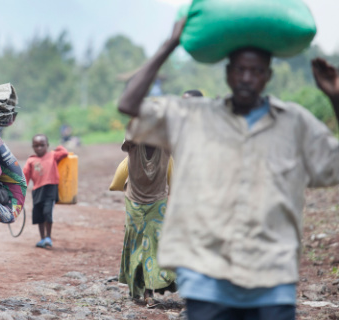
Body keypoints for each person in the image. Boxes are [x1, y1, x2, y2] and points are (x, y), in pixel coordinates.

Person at [118, 17, 339, 320]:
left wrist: (336, 98)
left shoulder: (293, 123)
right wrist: (169, 46)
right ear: (227, 74)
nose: (247, 77)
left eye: (256, 70)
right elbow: (130, 104)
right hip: (208, 276)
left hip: (272, 277)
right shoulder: (195, 116)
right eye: (240, 69)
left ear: (268, 76)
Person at [118, 89, 202, 307]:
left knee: (153, 245)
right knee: (135, 243)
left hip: (158, 200)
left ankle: (149, 293)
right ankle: (136, 288)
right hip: (134, 200)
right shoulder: (133, 139)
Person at [23, 134, 69, 248]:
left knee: (47, 213)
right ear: (33, 147)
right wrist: (21, 191)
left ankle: (48, 237)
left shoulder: (53, 155)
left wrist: (58, 147)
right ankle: (42, 238)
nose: (39, 148)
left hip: (51, 189)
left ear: (47, 145)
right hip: (37, 190)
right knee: (39, 215)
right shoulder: (31, 160)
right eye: (36, 146)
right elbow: (25, 177)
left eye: (42, 145)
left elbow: (64, 153)